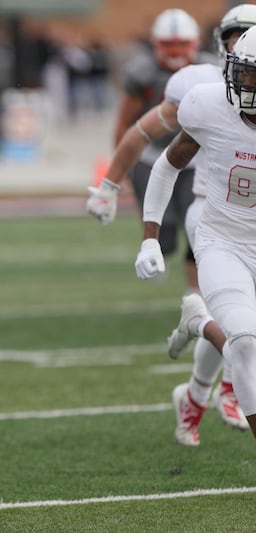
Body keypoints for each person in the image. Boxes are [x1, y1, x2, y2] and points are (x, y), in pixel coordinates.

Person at [89, 4, 256, 445]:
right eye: (238, 37)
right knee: (245, 339)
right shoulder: (203, 94)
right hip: (217, 221)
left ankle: (198, 349)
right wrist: (117, 197)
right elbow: (152, 147)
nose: (246, 80)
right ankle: (221, 385)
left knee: (242, 335)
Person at [111, 8, 213, 295]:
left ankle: (195, 291)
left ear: (195, 44)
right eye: (169, 44)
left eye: (182, 43)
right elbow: (125, 123)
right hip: (152, 154)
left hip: (196, 159)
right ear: (156, 44)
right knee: (164, 232)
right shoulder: (142, 74)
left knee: (198, 224)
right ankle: (158, 250)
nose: (176, 50)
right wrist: (117, 172)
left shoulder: (212, 70)